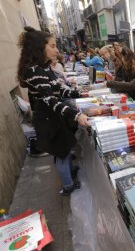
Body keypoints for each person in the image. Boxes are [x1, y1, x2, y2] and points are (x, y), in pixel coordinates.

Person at [17, 27, 89, 195]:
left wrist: (82, 93)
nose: (57, 50)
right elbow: (51, 100)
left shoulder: (44, 68)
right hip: (48, 119)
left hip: (54, 117)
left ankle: (71, 174)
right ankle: (68, 186)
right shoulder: (34, 72)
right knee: (61, 153)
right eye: (52, 45)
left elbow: (60, 90)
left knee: (65, 149)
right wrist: (77, 115)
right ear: (39, 47)